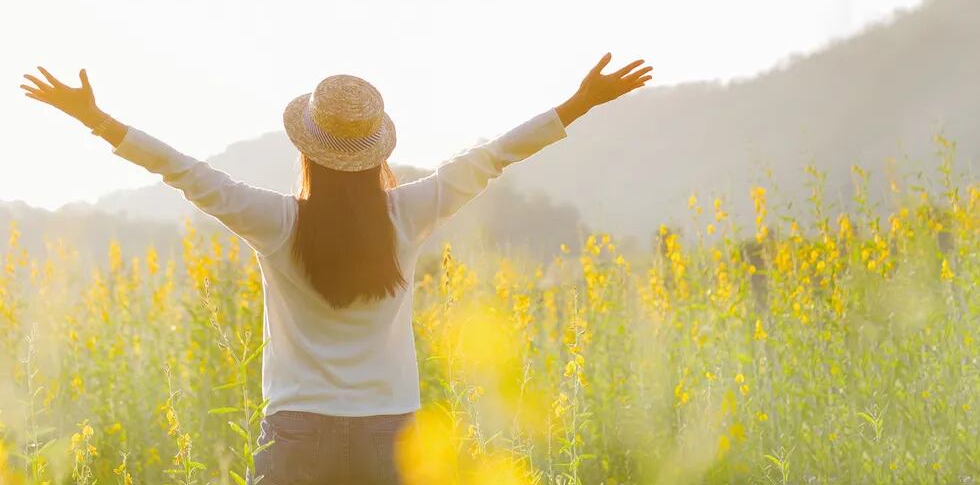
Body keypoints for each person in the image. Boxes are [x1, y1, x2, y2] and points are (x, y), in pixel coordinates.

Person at [20, 53, 651, 484]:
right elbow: (492, 158)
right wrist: (578, 103)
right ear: (378, 150)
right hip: (391, 437)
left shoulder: (275, 220)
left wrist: (94, 118)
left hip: (295, 438)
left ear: (306, 148)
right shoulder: (410, 211)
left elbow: (184, 171)